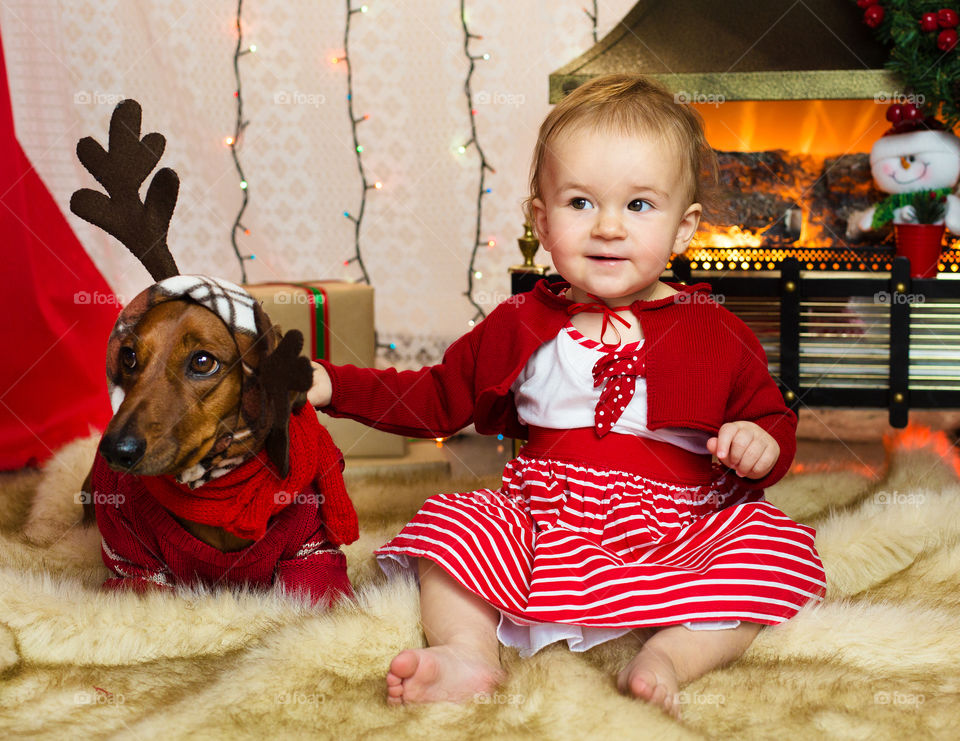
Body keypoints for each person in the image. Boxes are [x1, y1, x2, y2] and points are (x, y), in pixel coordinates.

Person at [308, 74, 825, 719]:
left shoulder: (715, 329)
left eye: (639, 205)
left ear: (683, 228)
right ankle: (468, 653)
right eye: (580, 202)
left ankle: (670, 656)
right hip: (548, 516)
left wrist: (759, 442)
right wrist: (335, 384)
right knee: (448, 528)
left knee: (774, 550)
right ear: (541, 220)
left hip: (683, 525)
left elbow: (770, 416)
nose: (608, 228)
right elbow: (437, 396)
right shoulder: (520, 321)